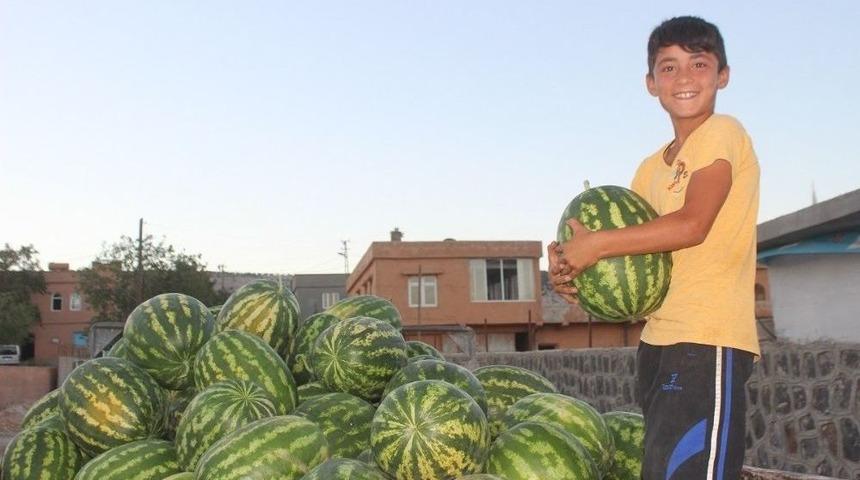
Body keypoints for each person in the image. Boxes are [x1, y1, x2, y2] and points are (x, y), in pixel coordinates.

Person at [548, 16, 759, 480]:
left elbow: (693, 223)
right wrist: (571, 270)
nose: (684, 77)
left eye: (699, 64)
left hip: (708, 338)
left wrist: (597, 245)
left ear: (723, 75)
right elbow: (632, 269)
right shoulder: (648, 170)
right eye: (669, 67)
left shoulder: (722, 132)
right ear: (650, 83)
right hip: (656, 343)